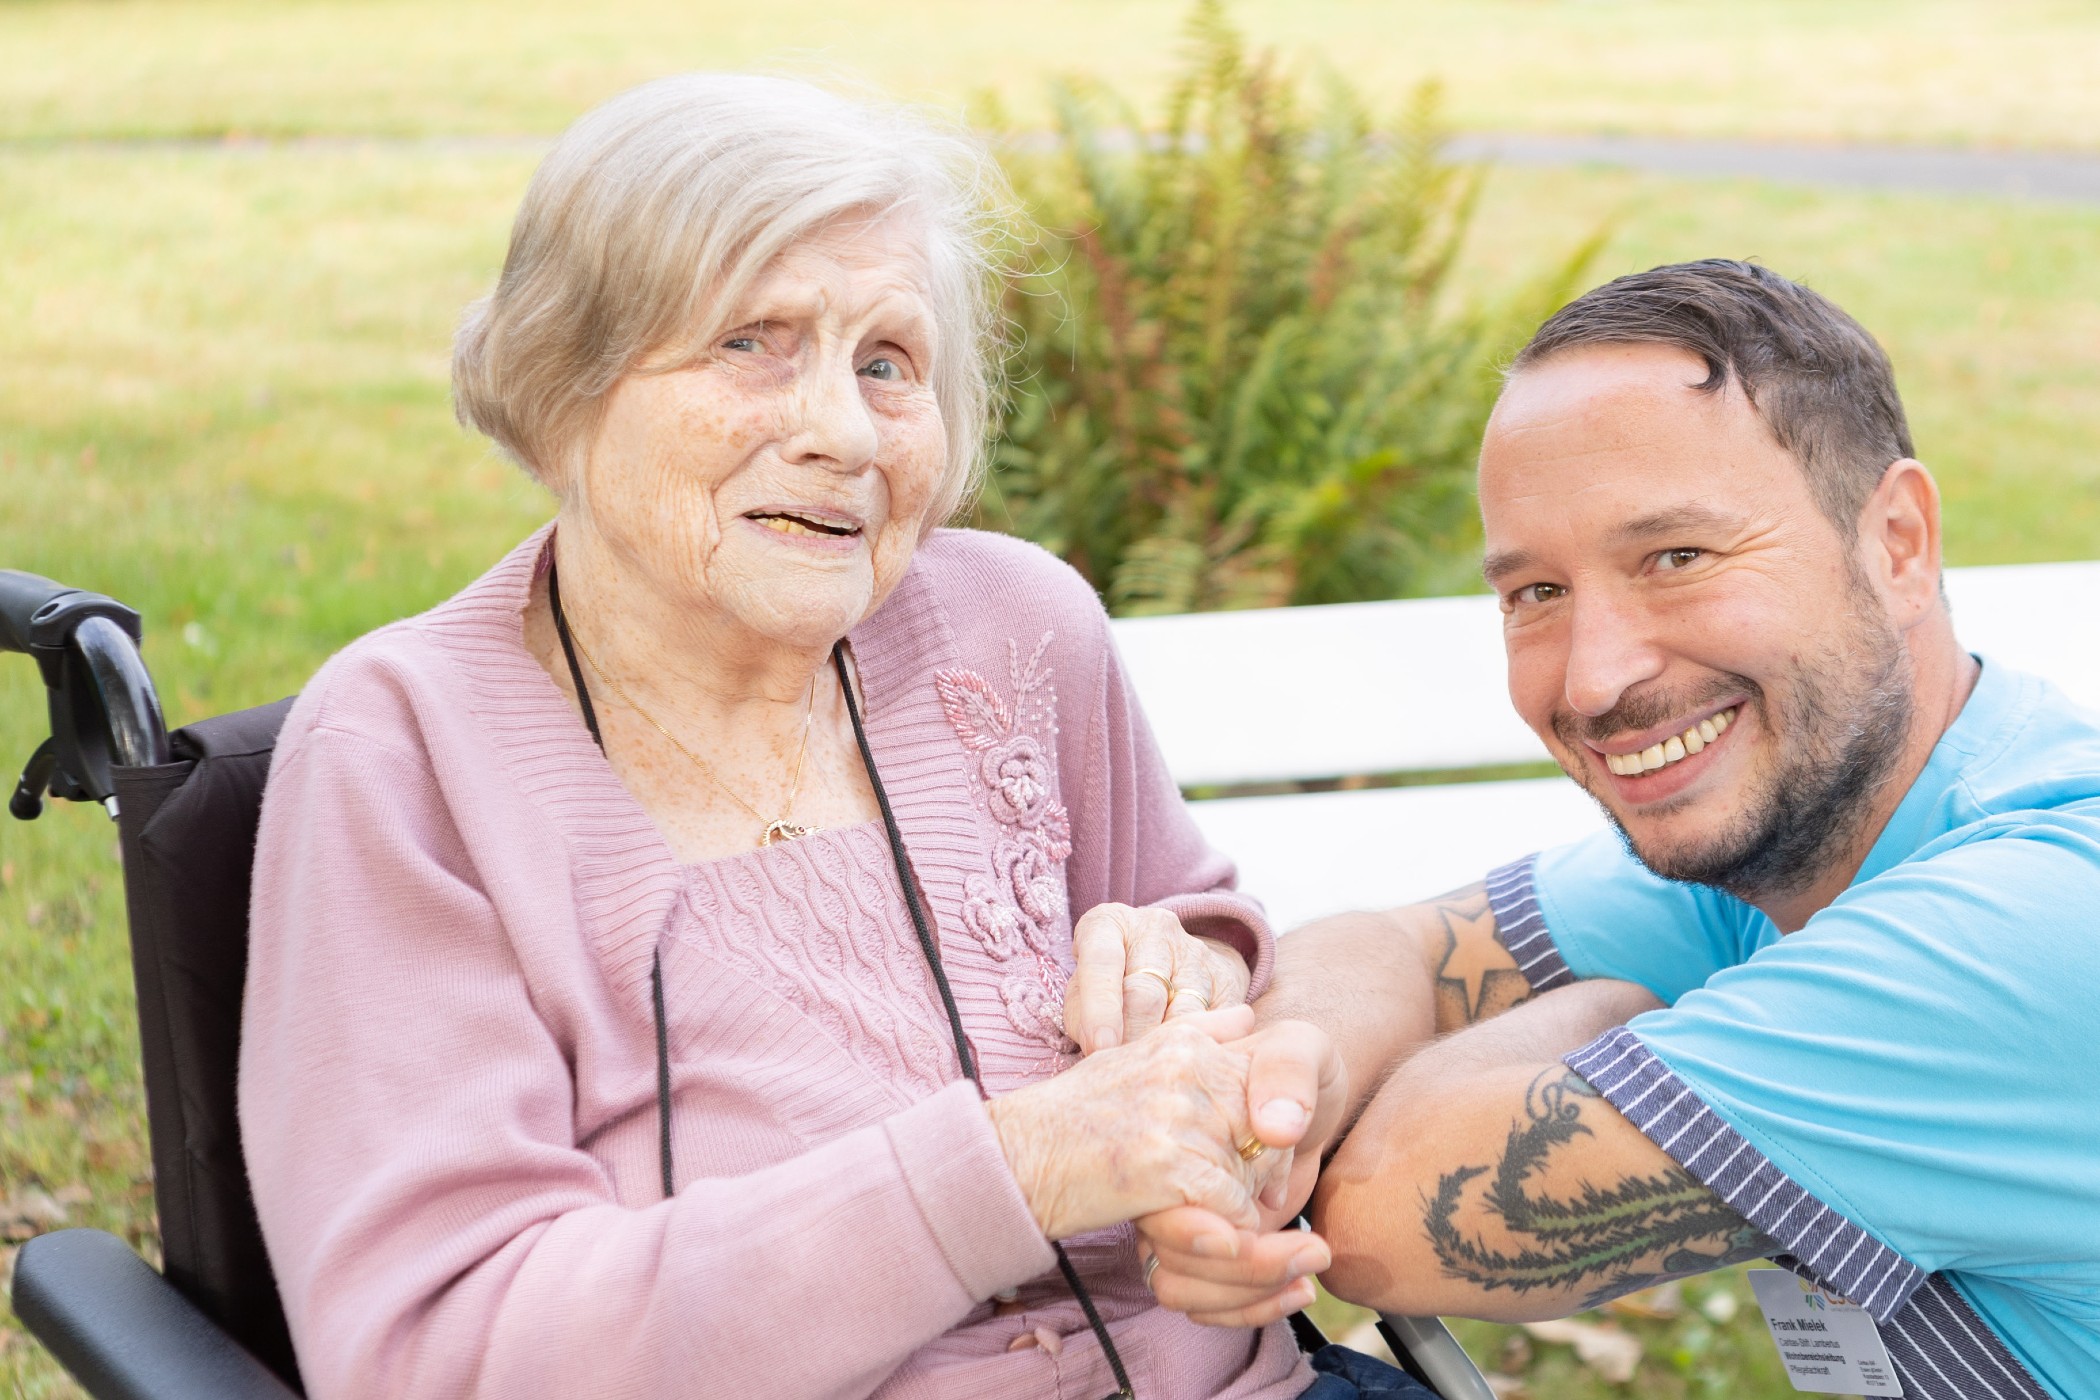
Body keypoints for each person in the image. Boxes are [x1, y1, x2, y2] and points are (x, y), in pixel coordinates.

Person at [238, 74, 1422, 1399]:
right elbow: (445, 1353)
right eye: (756, 341)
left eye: (888, 363)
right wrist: (1025, 1165)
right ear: (562, 379)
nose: (843, 432)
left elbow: (1211, 943)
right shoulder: (408, 755)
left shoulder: (1015, 625)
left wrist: (1202, 1031)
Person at [1126, 261, 2100, 1400]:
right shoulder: (1801, 831)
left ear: (1896, 541)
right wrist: (1296, 1072)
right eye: (1535, 592)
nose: (1592, 680)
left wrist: (1611, 1005)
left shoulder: (2030, 926)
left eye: (1676, 558)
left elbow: (1391, 1213)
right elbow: (1386, 949)